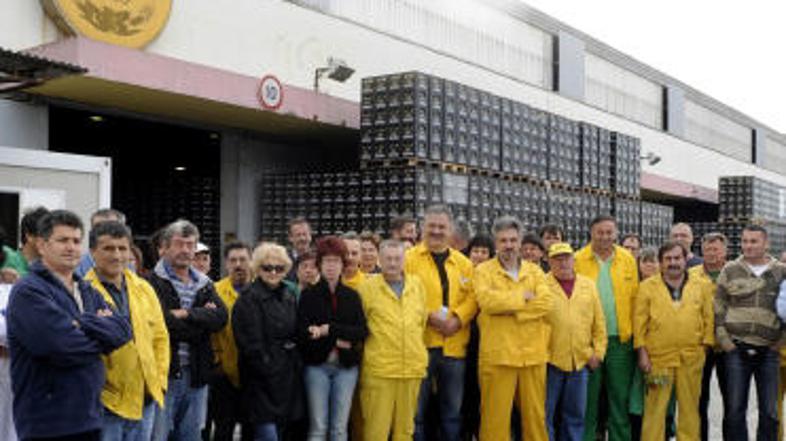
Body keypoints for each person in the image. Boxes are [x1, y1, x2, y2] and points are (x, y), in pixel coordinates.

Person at [7, 210, 132, 441]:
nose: (71, 247)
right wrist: (102, 337)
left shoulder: (86, 289)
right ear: (43, 246)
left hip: (89, 416)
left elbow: (123, 330)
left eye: (76, 241)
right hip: (48, 422)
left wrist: (80, 322)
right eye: (62, 240)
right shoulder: (28, 291)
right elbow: (60, 347)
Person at [83, 221, 170, 441]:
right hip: (106, 405)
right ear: (93, 252)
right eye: (109, 248)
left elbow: (160, 338)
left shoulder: (144, 288)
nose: (117, 255)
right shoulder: (83, 292)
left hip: (145, 400)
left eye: (122, 248)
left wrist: (158, 381)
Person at [147, 220, 228, 441]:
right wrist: (202, 320)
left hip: (197, 375)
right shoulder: (151, 283)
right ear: (164, 247)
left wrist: (186, 314)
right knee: (159, 436)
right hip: (165, 375)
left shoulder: (205, 283)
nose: (185, 250)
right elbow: (163, 324)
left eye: (190, 245)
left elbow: (221, 317)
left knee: (192, 436)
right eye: (179, 244)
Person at [474, 215, 553, 441]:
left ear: (520, 242)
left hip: (533, 356)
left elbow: (546, 303)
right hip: (498, 357)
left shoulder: (535, 272)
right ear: (495, 243)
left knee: (535, 419)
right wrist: (523, 298)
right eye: (503, 241)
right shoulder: (483, 271)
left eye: (512, 240)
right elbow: (487, 302)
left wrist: (511, 309)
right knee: (494, 421)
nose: (508, 245)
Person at [406, 205, 476, 441]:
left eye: (441, 226)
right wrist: (427, 316)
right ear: (422, 228)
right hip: (420, 346)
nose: (436, 231)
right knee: (416, 413)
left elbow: (473, 296)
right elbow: (402, 296)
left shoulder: (463, 263)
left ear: (450, 230)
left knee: (452, 413)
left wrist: (459, 318)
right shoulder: (409, 259)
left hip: (454, 346)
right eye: (431, 226)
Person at [634, 241, 714, 441]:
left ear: (685, 260)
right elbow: (639, 323)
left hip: (691, 359)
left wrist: (704, 347)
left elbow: (708, 318)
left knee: (689, 409)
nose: (673, 263)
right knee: (655, 410)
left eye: (677, 258)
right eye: (667, 259)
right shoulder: (647, 287)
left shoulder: (702, 286)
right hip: (658, 361)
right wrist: (642, 353)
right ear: (660, 262)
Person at [715, 224, 786, 441]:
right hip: (737, 349)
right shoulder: (730, 269)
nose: (748, 246)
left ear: (766, 243)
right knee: (735, 411)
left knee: (770, 412)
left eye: (754, 241)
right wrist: (726, 343)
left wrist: (780, 342)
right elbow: (719, 307)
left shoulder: (780, 271)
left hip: (769, 351)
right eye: (745, 241)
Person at [574, 215, 639, 441]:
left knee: (619, 400)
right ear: (591, 233)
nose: (604, 237)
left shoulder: (627, 259)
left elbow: (635, 300)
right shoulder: (577, 259)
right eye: (600, 232)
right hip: (588, 342)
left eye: (609, 232)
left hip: (620, 341)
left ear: (616, 233)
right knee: (587, 401)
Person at [297, 236, 368, 441]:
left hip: (346, 368)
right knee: (318, 426)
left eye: (336, 261)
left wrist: (329, 330)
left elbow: (361, 331)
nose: (331, 266)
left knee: (339, 428)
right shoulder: (309, 296)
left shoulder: (352, 296)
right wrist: (337, 340)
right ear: (319, 264)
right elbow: (303, 333)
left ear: (343, 264)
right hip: (316, 366)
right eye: (326, 261)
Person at [356, 239, 428, 441]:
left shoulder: (417, 285)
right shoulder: (367, 289)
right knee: (376, 431)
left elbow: (420, 323)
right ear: (379, 259)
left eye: (397, 258)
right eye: (388, 259)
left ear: (404, 260)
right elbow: (360, 328)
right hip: (380, 371)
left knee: (405, 431)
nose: (393, 263)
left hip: (412, 369)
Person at [232, 242, 304, 441]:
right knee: (267, 435)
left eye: (279, 268)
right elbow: (249, 344)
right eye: (267, 267)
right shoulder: (247, 299)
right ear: (257, 268)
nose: (273, 272)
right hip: (260, 384)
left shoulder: (289, 295)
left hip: (288, 380)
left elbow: (296, 333)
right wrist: (269, 367)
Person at [545, 242, 607, 441]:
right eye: (557, 259)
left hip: (580, 361)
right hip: (549, 361)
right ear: (549, 262)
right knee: (545, 415)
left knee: (575, 416)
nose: (563, 263)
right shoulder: (541, 284)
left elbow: (599, 322)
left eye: (566, 258)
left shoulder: (588, 285)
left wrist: (598, 353)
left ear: (574, 260)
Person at [208, 242, 254, 441]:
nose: (238, 265)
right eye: (233, 260)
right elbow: (207, 331)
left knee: (251, 429)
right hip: (223, 374)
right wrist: (216, 361)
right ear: (226, 264)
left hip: (254, 373)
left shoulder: (261, 291)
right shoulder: (213, 291)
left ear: (251, 262)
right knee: (223, 429)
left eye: (243, 259)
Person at [689, 232, 728, 441]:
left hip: (727, 346)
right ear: (701, 250)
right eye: (707, 249)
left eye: (716, 249)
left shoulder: (733, 273)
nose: (711, 253)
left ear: (725, 251)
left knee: (732, 400)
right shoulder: (692, 274)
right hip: (700, 345)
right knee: (699, 399)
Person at [75, 208, 127, 278]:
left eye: (110, 228)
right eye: (97, 227)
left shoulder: (127, 265)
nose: (102, 231)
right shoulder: (76, 265)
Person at [286, 217, 313, 281]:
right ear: (290, 238)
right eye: (298, 235)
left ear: (310, 236)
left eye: (305, 234)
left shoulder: (318, 259)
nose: (302, 238)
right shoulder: (283, 259)